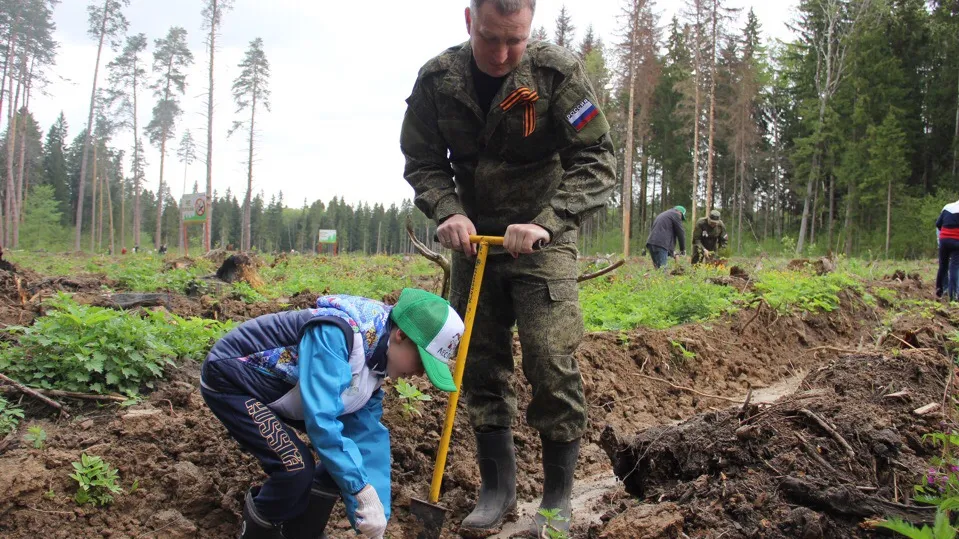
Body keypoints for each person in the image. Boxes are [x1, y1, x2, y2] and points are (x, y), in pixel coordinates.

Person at [399, 0, 616, 534]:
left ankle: (557, 499)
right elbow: (422, 160)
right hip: (473, 241)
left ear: (530, 28)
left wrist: (549, 219)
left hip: (542, 240)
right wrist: (448, 211)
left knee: (549, 356)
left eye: (514, 41)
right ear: (469, 21)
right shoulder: (437, 80)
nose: (501, 53)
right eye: (491, 38)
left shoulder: (556, 75)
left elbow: (597, 159)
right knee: (478, 362)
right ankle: (497, 489)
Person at [200, 289, 465, 539]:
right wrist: (359, 489)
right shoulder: (337, 333)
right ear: (401, 336)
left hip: (286, 393)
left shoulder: (376, 367)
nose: (421, 374)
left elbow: (368, 442)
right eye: (422, 361)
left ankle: (302, 533)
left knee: (345, 463)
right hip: (233, 382)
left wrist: (375, 519)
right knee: (294, 468)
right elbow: (321, 417)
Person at [936, 199, 959, 300]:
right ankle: (953, 295)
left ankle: (941, 289)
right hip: (956, 242)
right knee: (954, 267)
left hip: (944, 240)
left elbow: (938, 224)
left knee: (943, 265)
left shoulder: (947, 207)